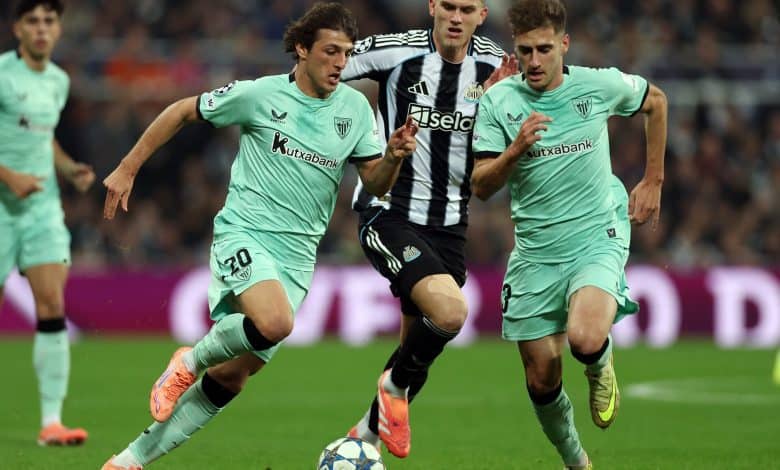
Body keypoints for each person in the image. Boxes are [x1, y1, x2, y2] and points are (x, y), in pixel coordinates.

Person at [100, 3, 418, 469]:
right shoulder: (260, 95)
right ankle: (188, 361)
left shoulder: (354, 108)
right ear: (302, 50)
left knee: (231, 377)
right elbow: (182, 110)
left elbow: (375, 182)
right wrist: (128, 168)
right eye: (330, 52)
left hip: (297, 259)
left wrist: (392, 156)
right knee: (275, 323)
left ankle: (128, 461)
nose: (340, 64)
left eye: (346, 54)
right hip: (245, 234)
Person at [470, 0, 667, 468]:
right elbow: (481, 185)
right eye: (524, 52)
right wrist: (514, 150)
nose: (534, 61)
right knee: (541, 379)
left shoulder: (597, 86)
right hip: (536, 253)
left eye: (543, 49)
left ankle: (600, 363)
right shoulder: (498, 102)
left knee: (582, 337)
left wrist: (652, 179)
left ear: (564, 45)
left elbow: (655, 101)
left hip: (596, 234)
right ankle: (577, 461)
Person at [339, 0, 518, 458]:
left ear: (482, 14)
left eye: (468, 9)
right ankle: (391, 389)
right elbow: (324, 65)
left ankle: (361, 439)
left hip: (450, 228)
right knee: (450, 313)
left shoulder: (498, 67)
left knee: (415, 349)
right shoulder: (396, 52)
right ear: (433, 7)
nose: (456, 17)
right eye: (449, 6)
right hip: (389, 213)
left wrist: (503, 103)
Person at [0, 0, 94, 446]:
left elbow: (43, 136)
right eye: (32, 21)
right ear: (18, 29)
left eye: (49, 21)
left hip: (41, 208)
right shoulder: (2, 73)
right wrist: (8, 176)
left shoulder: (59, 81)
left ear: (58, 29)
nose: (41, 29)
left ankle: (51, 423)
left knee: (52, 306)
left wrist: (69, 167)